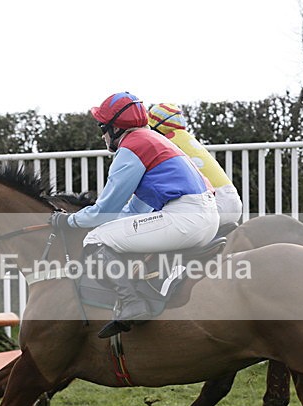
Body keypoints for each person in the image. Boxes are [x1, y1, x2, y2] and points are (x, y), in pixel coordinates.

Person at [50, 92, 219, 338]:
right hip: (203, 217)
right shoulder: (151, 139)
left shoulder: (132, 147)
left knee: (95, 238)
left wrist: (69, 220)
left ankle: (132, 302)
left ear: (116, 127)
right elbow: (133, 211)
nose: (102, 134)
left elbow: (104, 212)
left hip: (185, 219)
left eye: (102, 127)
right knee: (108, 233)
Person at [147, 103, 243, 231]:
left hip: (215, 204)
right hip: (233, 201)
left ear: (155, 128)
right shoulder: (187, 140)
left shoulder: (166, 143)